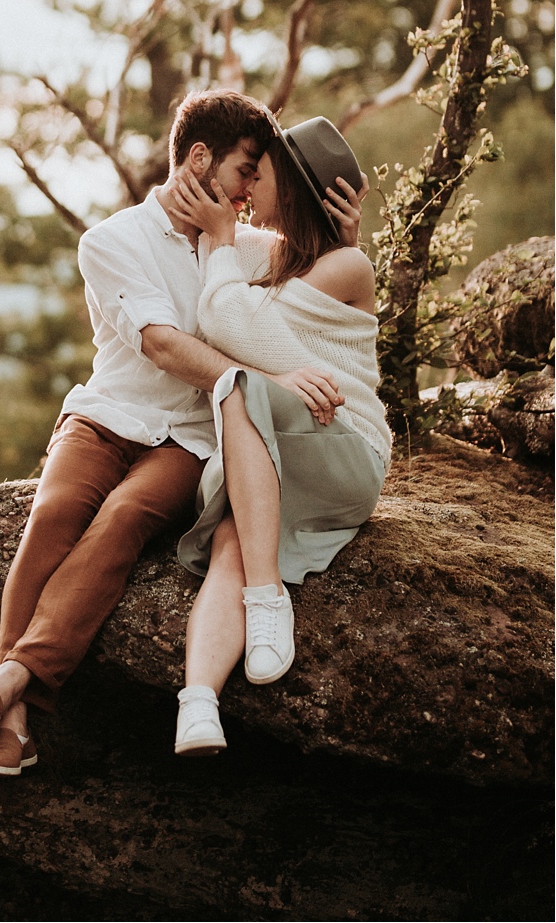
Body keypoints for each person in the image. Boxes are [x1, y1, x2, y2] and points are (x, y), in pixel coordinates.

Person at [0, 91, 364, 779]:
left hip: (190, 436)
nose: (249, 191)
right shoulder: (110, 241)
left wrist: (345, 233)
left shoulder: (242, 242)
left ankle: (8, 684)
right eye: (243, 171)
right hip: (105, 416)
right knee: (51, 516)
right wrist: (264, 378)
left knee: (126, 517)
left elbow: (318, 279)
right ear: (199, 159)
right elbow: (162, 345)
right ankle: (13, 721)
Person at [167, 116, 392, 757]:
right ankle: (199, 703)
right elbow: (232, 275)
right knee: (232, 545)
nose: (246, 193)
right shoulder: (284, 256)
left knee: (235, 381)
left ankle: (267, 597)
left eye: (257, 176)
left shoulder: (347, 264)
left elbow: (235, 323)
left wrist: (218, 241)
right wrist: (221, 231)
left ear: (291, 184)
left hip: (344, 449)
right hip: (281, 452)